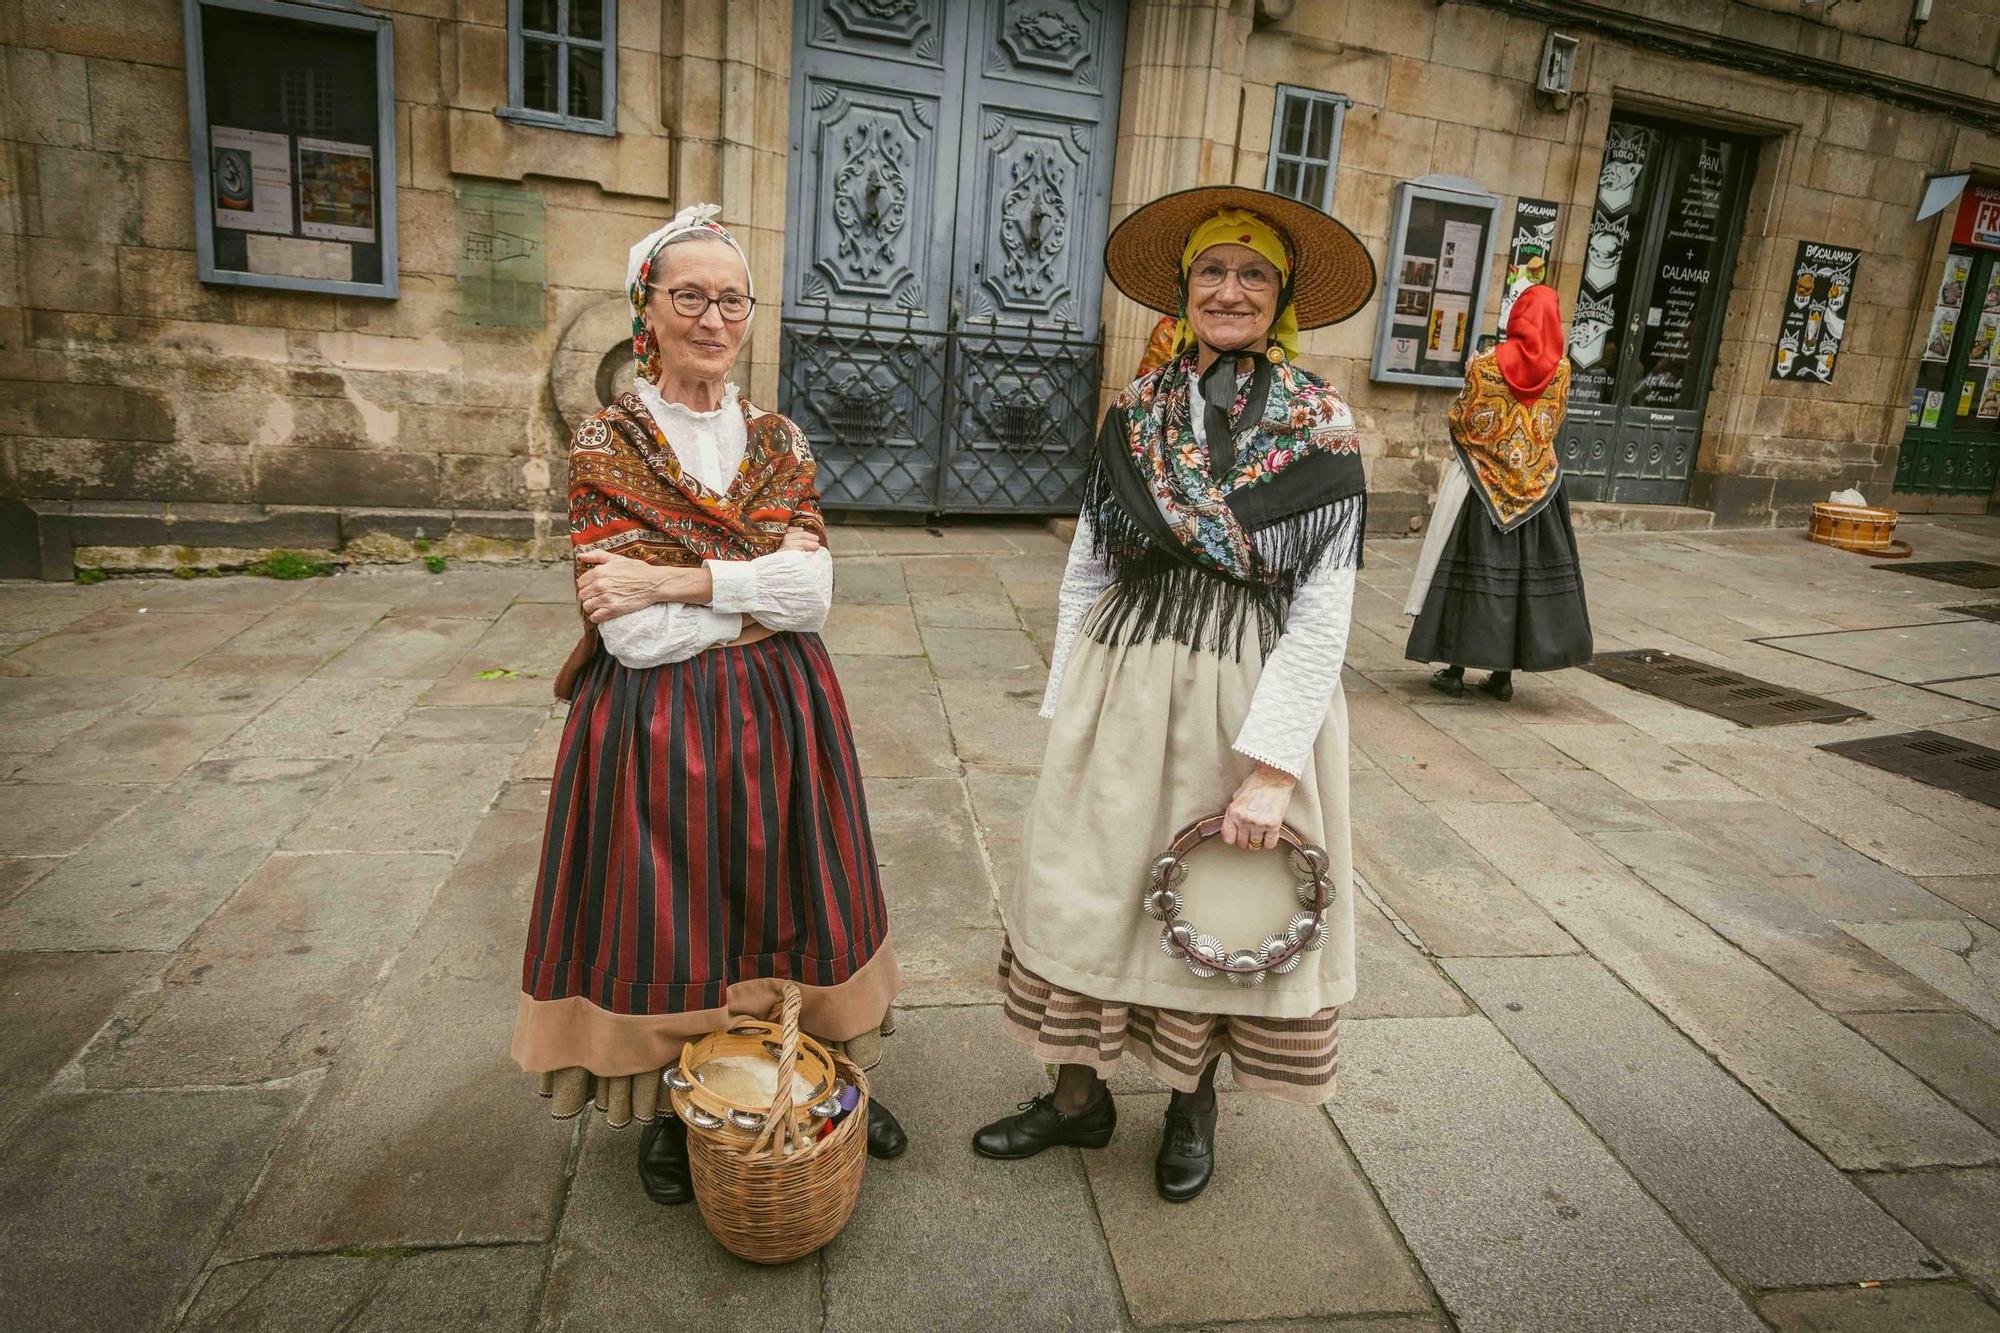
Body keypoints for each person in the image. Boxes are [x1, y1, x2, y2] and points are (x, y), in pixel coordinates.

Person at [973, 186, 1376, 1202]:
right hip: (1126, 678)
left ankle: (1191, 1103)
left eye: (1251, 274)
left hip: (1244, 686)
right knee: (1085, 887)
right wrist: (1069, 707)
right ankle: (1075, 1097)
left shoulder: (1320, 422)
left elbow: (1324, 610)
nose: (1228, 290)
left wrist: (1272, 768)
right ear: (1183, 290)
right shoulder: (1136, 412)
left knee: (1217, 896)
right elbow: (1085, 565)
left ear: (1279, 296)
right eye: (1211, 271)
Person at [510, 204, 905, 1206]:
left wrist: (674, 581)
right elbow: (631, 641)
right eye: (689, 295)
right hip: (654, 727)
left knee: (800, 894)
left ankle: (827, 1076)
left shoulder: (776, 439)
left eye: (732, 299)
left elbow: (813, 595)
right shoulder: (608, 444)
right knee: (673, 914)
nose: (713, 317)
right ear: (647, 305)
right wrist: (751, 590)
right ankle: (674, 1104)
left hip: (784, 714)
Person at [1402, 281, 1593, 699]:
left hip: (1482, 488)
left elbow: (1462, 420)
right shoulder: (1562, 369)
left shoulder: (1486, 364)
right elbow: (1553, 424)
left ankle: (1454, 670)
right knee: (1520, 581)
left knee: (1466, 573)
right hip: (1537, 490)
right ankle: (1503, 678)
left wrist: (1473, 379)